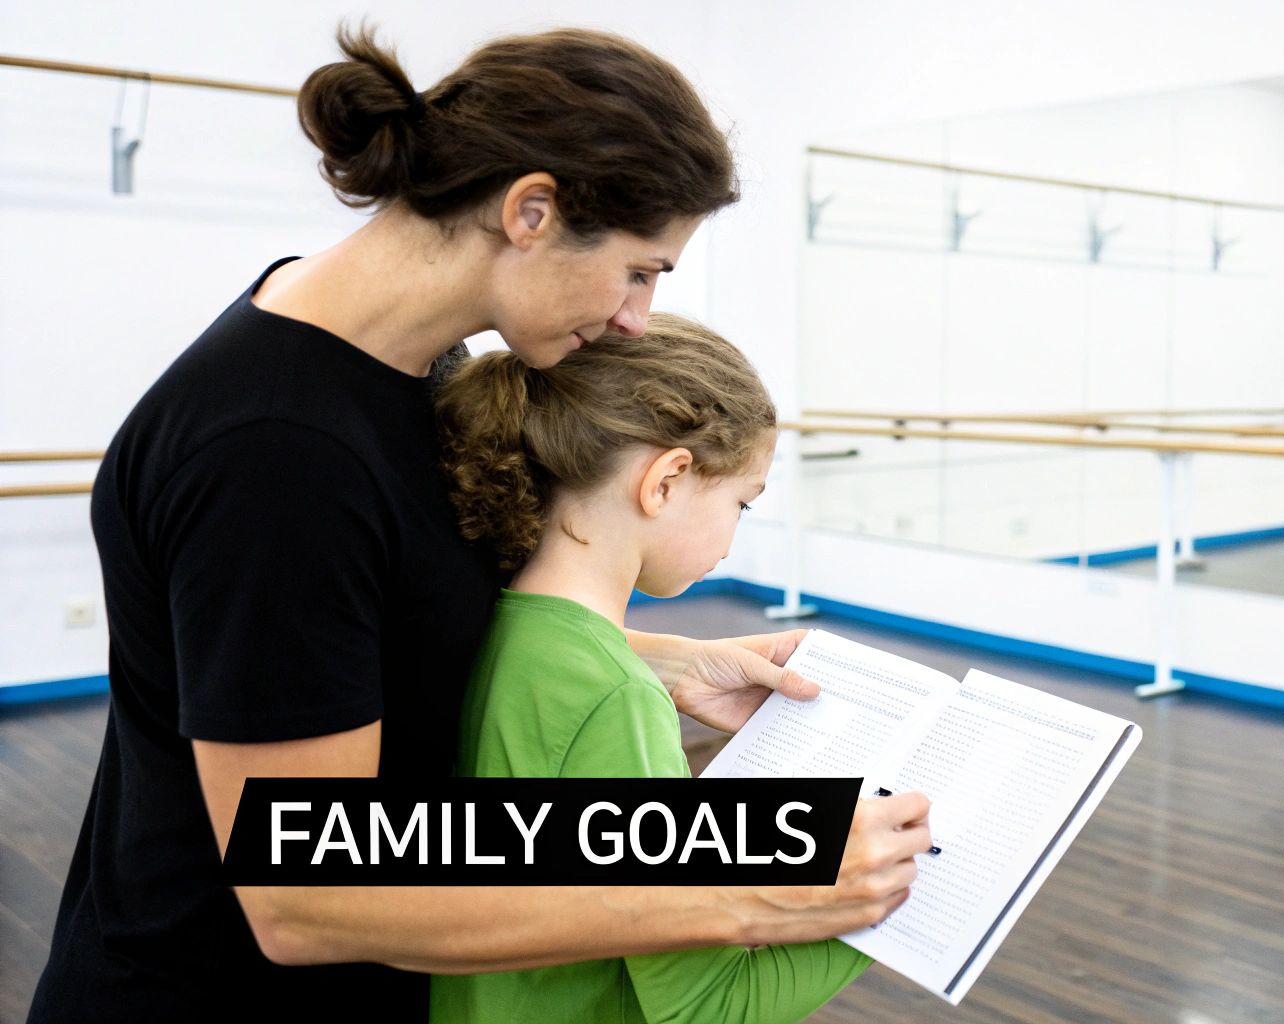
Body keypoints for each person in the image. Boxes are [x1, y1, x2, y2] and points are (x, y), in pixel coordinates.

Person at [29, 25, 928, 1024]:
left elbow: (370, 639)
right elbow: (304, 889)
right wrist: (766, 871)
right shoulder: (277, 455)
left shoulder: (416, 372)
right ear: (530, 211)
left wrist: (653, 662)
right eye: (640, 269)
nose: (635, 318)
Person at [429, 314, 872, 1023]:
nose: (736, 529)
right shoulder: (618, 698)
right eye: (742, 503)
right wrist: (888, 900)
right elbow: (707, 1006)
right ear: (666, 480)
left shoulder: (485, 628)